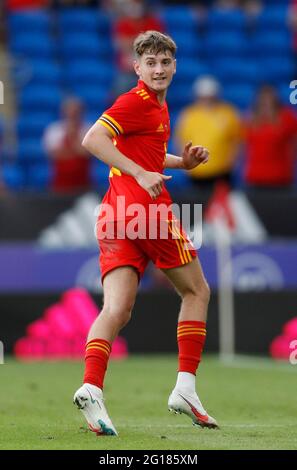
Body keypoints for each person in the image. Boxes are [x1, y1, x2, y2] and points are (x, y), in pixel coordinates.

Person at [73, 30, 218, 436]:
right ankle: (186, 387)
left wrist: (182, 163)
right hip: (147, 213)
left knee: (116, 310)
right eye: (150, 63)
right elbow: (92, 139)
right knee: (196, 291)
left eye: (165, 62)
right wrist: (139, 172)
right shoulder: (135, 102)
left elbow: (146, 153)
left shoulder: (155, 107)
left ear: (174, 66)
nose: (158, 69)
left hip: (114, 215)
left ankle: (91, 387)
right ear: (136, 68)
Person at [174, 76, 242, 191]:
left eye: (210, 97)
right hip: (196, 172)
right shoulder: (188, 115)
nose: (207, 100)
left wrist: (232, 162)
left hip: (222, 171)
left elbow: (237, 141)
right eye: (203, 97)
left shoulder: (228, 113)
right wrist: (184, 162)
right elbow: (180, 140)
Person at [244, 85, 297, 188]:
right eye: (263, 99)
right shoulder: (250, 119)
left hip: (281, 175)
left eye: (269, 98)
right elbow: (245, 145)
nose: (266, 102)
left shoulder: (286, 117)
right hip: (255, 176)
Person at [43, 98, 91, 193]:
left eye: (75, 112)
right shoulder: (54, 130)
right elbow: (54, 155)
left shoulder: (89, 129)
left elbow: (86, 154)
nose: (72, 115)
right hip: (60, 184)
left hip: (83, 183)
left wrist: (72, 137)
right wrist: (75, 149)